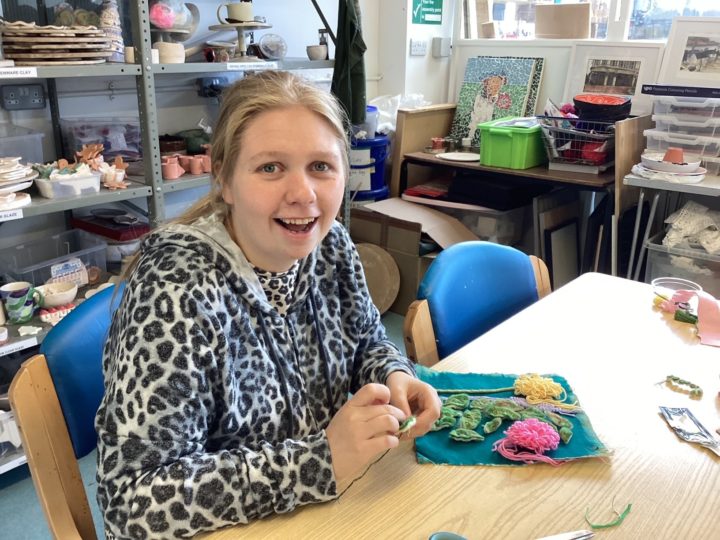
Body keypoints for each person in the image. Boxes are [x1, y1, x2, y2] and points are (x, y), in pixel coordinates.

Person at [95, 70, 441, 539]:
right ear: (225, 178)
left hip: (328, 513)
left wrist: (393, 373)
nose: (303, 194)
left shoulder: (332, 244)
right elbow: (133, 504)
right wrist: (319, 462)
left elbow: (365, 344)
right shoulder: (176, 290)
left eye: (321, 166)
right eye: (270, 168)